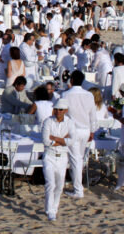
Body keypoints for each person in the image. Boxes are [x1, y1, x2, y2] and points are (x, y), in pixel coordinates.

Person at [62, 70, 97, 199]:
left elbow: (63, 114)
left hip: (73, 130)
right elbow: (92, 115)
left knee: (76, 160)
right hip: (85, 129)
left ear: (71, 80)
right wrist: (93, 130)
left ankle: (78, 189)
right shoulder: (89, 95)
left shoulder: (65, 95)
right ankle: (77, 185)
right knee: (79, 159)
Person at [41, 98, 75, 221]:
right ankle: (50, 211)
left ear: (65, 110)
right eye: (56, 109)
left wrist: (55, 138)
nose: (58, 111)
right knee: (50, 183)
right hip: (49, 155)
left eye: (60, 109)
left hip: (62, 157)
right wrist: (62, 140)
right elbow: (46, 141)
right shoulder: (47, 122)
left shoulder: (70, 123)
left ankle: (54, 208)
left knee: (60, 185)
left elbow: (72, 141)